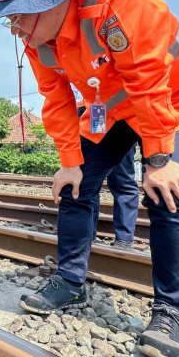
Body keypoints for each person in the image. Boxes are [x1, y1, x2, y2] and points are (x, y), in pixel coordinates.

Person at [0, 0, 179, 357]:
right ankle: (70, 280)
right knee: (76, 187)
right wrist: (70, 161)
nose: (13, 26)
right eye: (9, 18)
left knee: (166, 193)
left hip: (172, 103)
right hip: (114, 112)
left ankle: (172, 312)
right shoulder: (40, 43)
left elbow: (148, 83)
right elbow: (55, 101)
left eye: (18, 14)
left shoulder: (121, 4)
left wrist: (159, 161)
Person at [75, 85, 139, 249]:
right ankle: (87, 233)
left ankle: (124, 238)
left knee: (121, 176)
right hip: (80, 107)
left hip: (107, 107)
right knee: (87, 179)